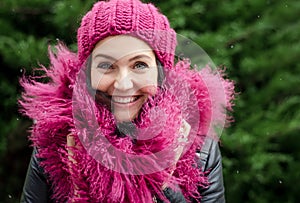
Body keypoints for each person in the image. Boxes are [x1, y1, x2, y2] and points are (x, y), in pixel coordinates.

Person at [19, 0, 235, 202]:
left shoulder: (198, 149)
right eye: (106, 65)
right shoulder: (57, 141)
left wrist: (165, 193)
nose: (123, 84)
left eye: (139, 65)